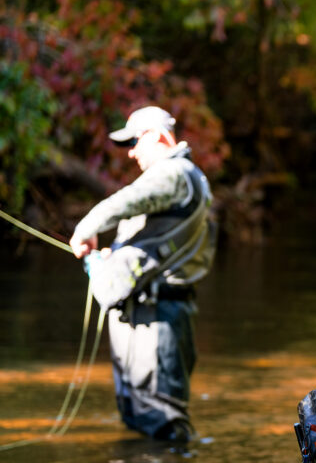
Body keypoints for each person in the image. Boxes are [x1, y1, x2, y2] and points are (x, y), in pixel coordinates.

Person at [69, 106, 216, 443]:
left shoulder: (174, 173)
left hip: (158, 318)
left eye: (135, 141)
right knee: (143, 416)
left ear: (156, 135)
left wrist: (85, 229)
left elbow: (126, 201)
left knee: (161, 420)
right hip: (151, 314)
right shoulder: (183, 177)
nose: (132, 151)